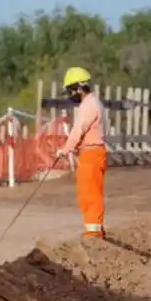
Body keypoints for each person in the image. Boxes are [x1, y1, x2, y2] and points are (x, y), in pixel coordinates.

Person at [56, 67, 108, 239]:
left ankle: (93, 234)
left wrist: (66, 149)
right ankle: (96, 230)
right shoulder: (93, 104)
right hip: (91, 153)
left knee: (90, 194)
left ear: (79, 87)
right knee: (88, 193)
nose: (70, 95)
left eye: (70, 90)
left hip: (91, 153)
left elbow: (79, 129)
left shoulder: (89, 106)